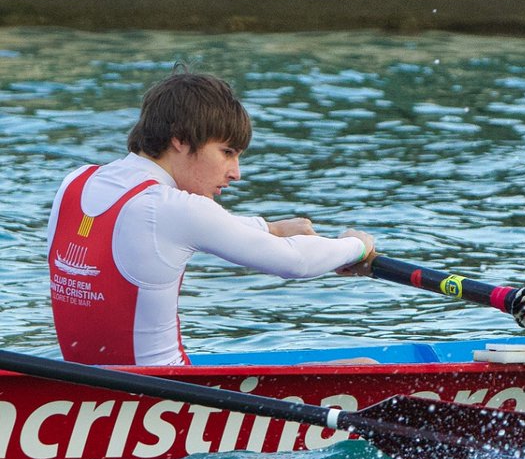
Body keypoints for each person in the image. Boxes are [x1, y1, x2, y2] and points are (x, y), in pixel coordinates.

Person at [47, 70, 376, 366]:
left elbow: (166, 230)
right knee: (366, 366)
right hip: (166, 398)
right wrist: (355, 247)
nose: (236, 173)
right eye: (227, 153)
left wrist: (269, 228)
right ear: (180, 139)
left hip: (86, 393)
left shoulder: (76, 181)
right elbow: (295, 263)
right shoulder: (174, 208)